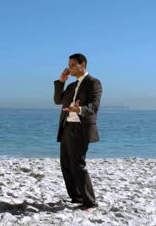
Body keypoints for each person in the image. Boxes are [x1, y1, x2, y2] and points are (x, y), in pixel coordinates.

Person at [53, 53, 102, 210]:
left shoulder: (93, 83)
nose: (70, 68)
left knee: (78, 165)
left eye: (73, 64)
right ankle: (76, 197)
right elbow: (57, 100)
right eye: (69, 64)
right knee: (66, 165)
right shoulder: (71, 85)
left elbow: (94, 106)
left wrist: (79, 109)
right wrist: (61, 82)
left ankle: (90, 202)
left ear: (83, 65)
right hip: (67, 127)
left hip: (81, 129)